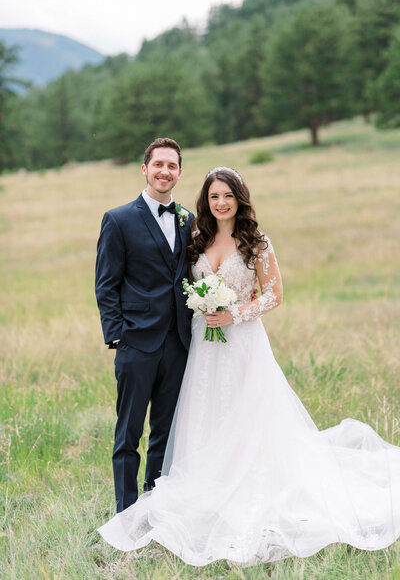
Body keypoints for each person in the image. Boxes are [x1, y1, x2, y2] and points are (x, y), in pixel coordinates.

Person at [98, 167, 400, 566]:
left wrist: (235, 314)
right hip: (203, 347)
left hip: (242, 345)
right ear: (206, 201)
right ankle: (202, 492)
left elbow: (274, 293)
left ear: (240, 198)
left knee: (247, 419)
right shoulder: (195, 237)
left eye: (228, 195)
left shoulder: (255, 241)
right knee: (201, 416)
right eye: (214, 197)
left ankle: (248, 492)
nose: (221, 203)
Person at [95, 137, 194, 513]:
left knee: (165, 434)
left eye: (172, 166)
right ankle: (126, 511)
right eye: (158, 165)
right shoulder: (118, 219)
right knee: (129, 433)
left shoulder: (188, 220)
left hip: (178, 343)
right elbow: (106, 283)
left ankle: (156, 506)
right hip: (136, 343)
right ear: (145, 169)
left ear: (179, 173)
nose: (165, 172)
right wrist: (118, 335)